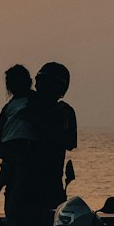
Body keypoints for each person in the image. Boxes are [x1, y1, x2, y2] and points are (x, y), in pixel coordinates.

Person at [0, 64, 33, 218]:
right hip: (22, 144)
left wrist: (9, 122)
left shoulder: (9, 105)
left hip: (8, 143)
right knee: (19, 181)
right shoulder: (31, 100)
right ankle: (11, 216)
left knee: (1, 180)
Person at [31, 61, 77, 212]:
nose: (37, 85)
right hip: (24, 185)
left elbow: (70, 142)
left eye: (43, 82)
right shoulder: (28, 106)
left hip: (50, 186)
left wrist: (43, 126)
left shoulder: (65, 112)